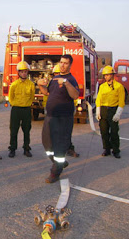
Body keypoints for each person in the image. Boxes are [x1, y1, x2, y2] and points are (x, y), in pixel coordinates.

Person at [38, 54, 79, 183]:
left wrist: (66, 83)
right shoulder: (55, 78)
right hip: (50, 117)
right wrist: (40, 85)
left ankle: (55, 173)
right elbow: (47, 93)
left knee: (60, 146)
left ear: (70, 65)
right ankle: (60, 163)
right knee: (47, 144)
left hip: (63, 119)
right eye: (61, 62)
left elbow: (75, 95)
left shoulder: (71, 80)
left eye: (65, 63)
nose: (62, 65)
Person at [43, 64, 80, 158]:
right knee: (51, 138)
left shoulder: (69, 81)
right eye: (55, 74)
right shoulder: (53, 82)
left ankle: (69, 150)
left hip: (64, 114)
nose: (57, 75)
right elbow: (47, 94)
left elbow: (74, 96)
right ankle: (57, 159)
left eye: (57, 73)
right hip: (52, 114)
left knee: (64, 137)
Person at [95, 65, 125, 158]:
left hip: (113, 110)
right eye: (104, 75)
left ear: (112, 75)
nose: (106, 77)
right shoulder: (102, 86)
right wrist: (98, 111)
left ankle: (116, 150)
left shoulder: (119, 86)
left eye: (107, 75)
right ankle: (106, 149)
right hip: (103, 110)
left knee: (114, 132)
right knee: (104, 131)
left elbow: (121, 102)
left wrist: (118, 114)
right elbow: (98, 99)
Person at [8, 61, 35, 158]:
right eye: (22, 71)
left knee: (27, 130)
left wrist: (27, 105)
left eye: (25, 71)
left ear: (27, 72)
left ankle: (26, 149)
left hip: (26, 109)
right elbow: (11, 97)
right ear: (18, 73)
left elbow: (32, 97)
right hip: (16, 110)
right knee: (14, 130)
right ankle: (12, 149)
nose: (24, 73)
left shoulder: (31, 84)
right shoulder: (14, 84)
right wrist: (16, 105)